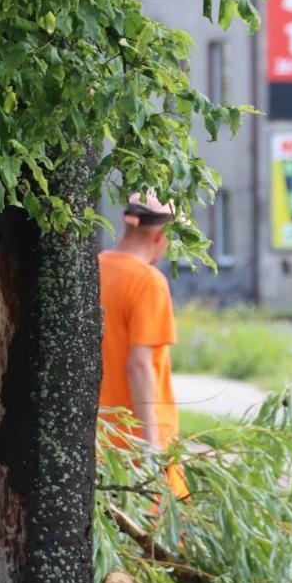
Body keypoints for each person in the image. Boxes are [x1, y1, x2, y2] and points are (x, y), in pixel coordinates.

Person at [99, 194, 188, 498]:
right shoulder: (148, 282)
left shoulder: (94, 269)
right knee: (167, 537)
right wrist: (151, 448)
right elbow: (140, 365)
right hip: (135, 447)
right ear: (162, 236)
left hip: (99, 441)